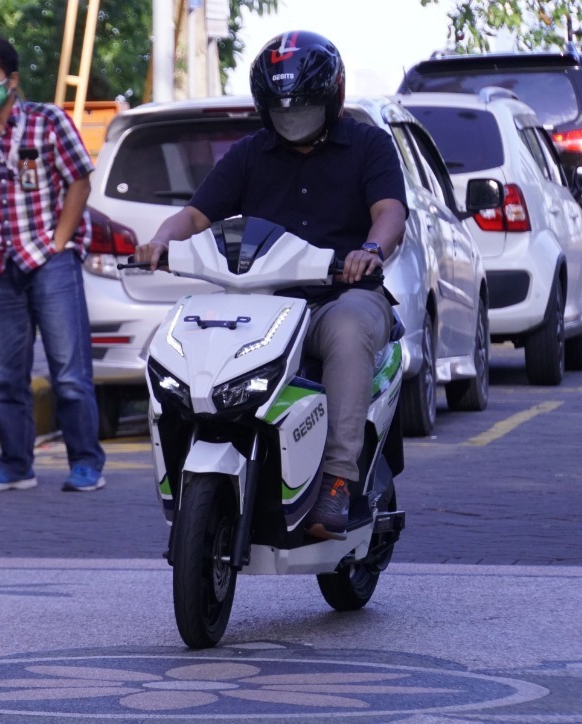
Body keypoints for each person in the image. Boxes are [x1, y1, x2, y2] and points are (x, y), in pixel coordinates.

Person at [135, 31, 408, 537]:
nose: (292, 120)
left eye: (303, 108)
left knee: (349, 332)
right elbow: (195, 215)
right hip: (264, 305)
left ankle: (336, 479)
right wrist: (159, 242)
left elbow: (389, 212)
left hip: (341, 297)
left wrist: (369, 251)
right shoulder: (249, 154)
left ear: (333, 98)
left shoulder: (369, 145)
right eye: (283, 112)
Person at [0, 36, 106, 493]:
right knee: (5, 376)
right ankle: (15, 465)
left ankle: (86, 463)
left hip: (52, 262)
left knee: (70, 372)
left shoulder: (48, 122)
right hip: (3, 266)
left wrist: (58, 243)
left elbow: (79, 182)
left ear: (11, 80)